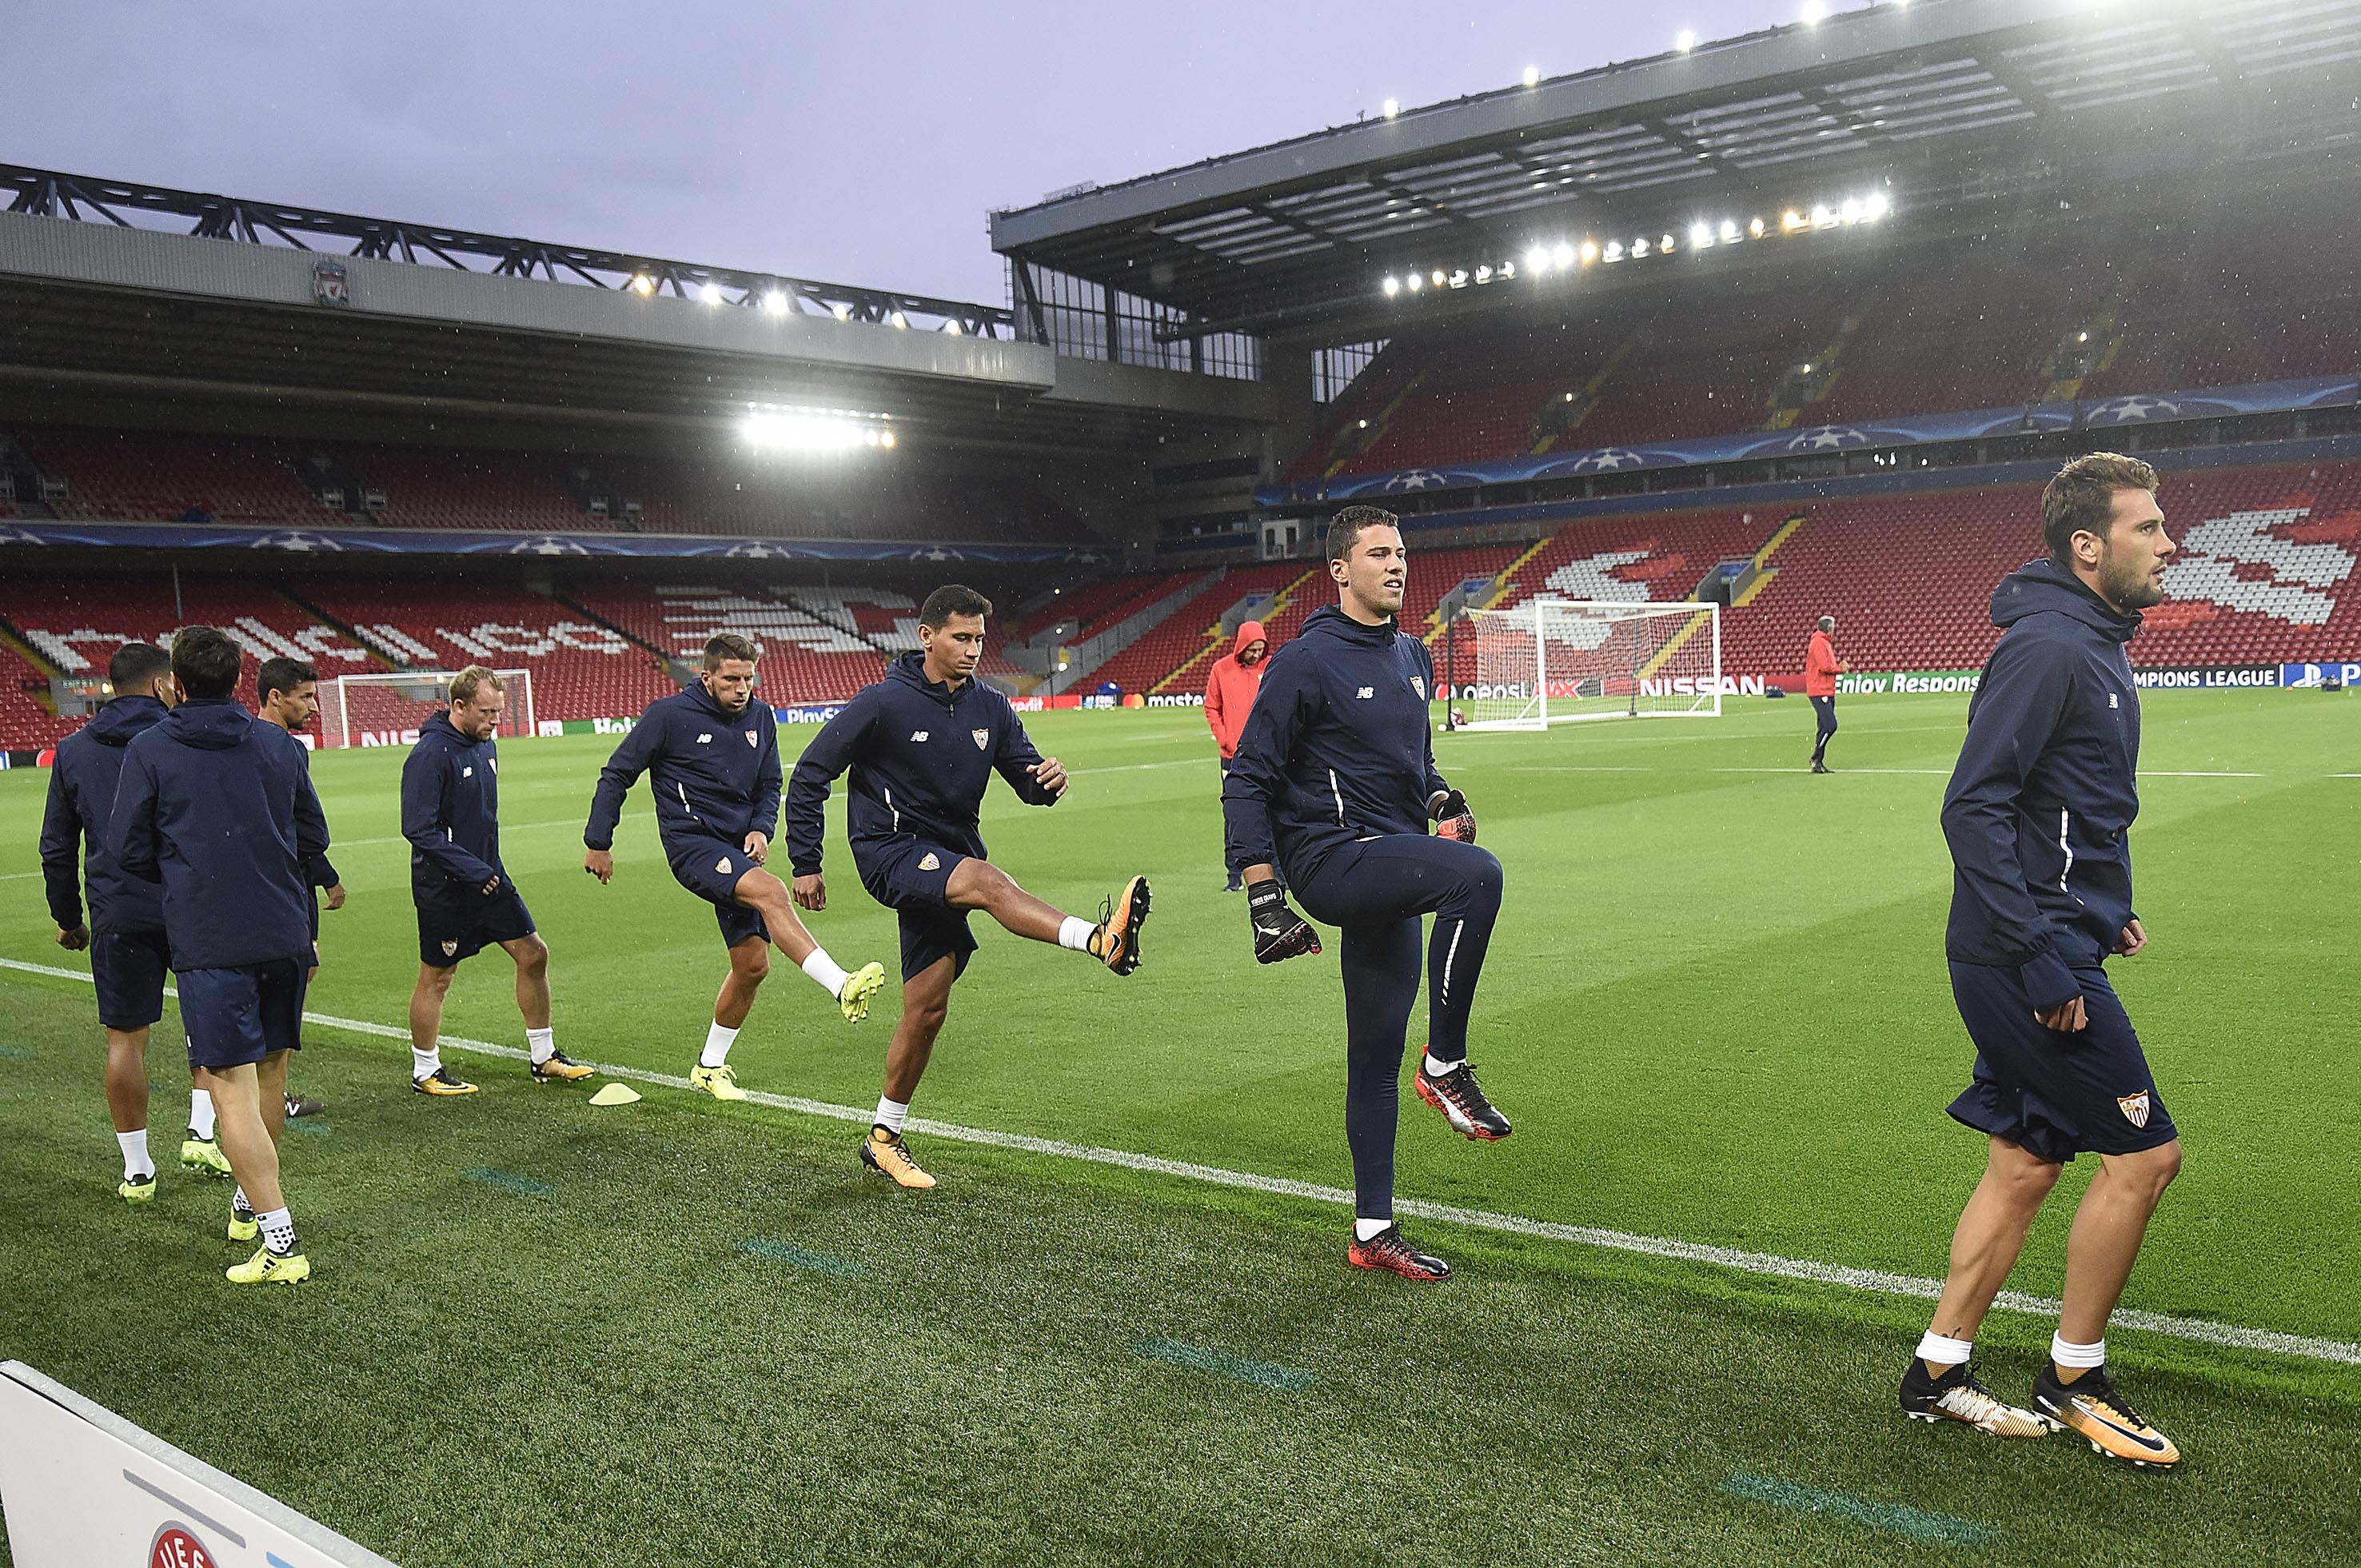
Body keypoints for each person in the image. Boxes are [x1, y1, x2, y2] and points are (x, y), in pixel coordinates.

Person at [1901, 453, 2184, 1466]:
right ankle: (2075, 1377)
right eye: (2146, 527)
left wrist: (2108, 910)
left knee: (2025, 1162)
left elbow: (2071, 806)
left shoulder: (2095, 642)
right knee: (2145, 1156)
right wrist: (2043, 957)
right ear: (2086, 545)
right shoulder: (2051, 650)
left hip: (2052, 931)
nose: (2166, 543)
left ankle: (1937, 1369)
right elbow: (1971, 805)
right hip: (2022, 952)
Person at [1222, 505, 1510, 1281]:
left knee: (1373, 1058)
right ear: (1340, 570)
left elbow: (1413, 769)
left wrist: (1444, 799)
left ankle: (1371, 1229)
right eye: (1378, 552)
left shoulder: (1413, 654)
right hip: (1332, 861)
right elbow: (1247, 775)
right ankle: (1445, 1063)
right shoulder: (1307, 660)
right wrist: (1262, 891)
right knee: (1479, 879)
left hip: (1387, 854)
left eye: (1402, 552)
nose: (1396, 564)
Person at [784, 584, 1152, 1189]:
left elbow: (1025, 777)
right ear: (925, 636)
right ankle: (1098, 939)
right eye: (960, 637)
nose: (973, 648)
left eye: (980, 638)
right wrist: (806, 862)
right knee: (985, 880)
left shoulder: (992, 706)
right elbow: (809, 777)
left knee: (926, 1008)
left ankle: (883, 1137)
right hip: (889, 852)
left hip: (946, 859)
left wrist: (1046, 781)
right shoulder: (880, 703)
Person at [111, 626, 329, 1285]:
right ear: (240, 680)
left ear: (176, 683)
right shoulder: (277, 744)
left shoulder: (150, 747)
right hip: (284, 933)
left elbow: (127, 848)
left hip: (211, 941)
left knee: (229, 1091)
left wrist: (191, 874)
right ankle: (245, 1205)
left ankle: (281, 1242)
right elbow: (312, 835)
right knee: (268, 1078)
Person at [584, 632, 887, 1099]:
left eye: (748, 678)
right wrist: (598, 841)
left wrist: (762, 830)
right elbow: (618, 773)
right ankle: (840, 984)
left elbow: (770, 785)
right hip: (693, 845)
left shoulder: (761, 717)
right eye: (730, 679)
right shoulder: (669, 716)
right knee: (772, 892)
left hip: (738, 849)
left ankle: (709, 1066)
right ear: (706, 677)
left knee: (752, 966)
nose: (741, 687)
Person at [38, 642, 232, 1199]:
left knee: (125, 1040)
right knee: (211, 1021)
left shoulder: (73, 750)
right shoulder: (182, 737)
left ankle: (138, 1169)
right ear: (161, 684)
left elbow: (56, 846)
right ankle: (200, 1130)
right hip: (189, 902)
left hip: (118, 908)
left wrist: (70, 918)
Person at [403, 666, 588, 1095]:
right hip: (446, 887)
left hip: (490, 880)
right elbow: (419, 829)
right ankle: (425, 1070)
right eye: (486, 712)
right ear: (459, 706)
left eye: (499, 712)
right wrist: (472, 870)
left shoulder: (486, 746)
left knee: (534, 954)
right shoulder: (431, 754)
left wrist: (489, 871)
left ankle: (544, 1057)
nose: (494, 721)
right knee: (438, 976)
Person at [254, 657, 342, 1118]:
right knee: (289, 981)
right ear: (275, 696)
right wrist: (317, 863)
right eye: (306, 696)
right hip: (282, 890)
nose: (314, 705)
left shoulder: (250, 743)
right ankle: (268, 1095)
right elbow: (305, 829)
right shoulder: (283, 750)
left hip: (248, 888)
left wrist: (325, 874)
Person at [1202, 618, 1270, 892]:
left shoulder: (1271, 667)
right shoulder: (1221, 669)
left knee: (1272, 813)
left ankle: (1280, 877)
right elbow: (1211, 707)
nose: (1255, 655)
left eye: (1260, 649)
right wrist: (1226, 739)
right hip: (1232, 757)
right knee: (1235, 816)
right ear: (1241, 646)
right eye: (1252, 649)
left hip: (1267, 755)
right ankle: (1233, 876)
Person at [1805, 615, 1848, 773]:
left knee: (1824, 726)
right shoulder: (1818, 643)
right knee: (1830, 725)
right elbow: (1825, 667)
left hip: (1826, 690)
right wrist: (1840, 669)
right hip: (1819, 690)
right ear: (1829, 628)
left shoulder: (1824, 643)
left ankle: (1818, 763)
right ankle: (1816, 757)